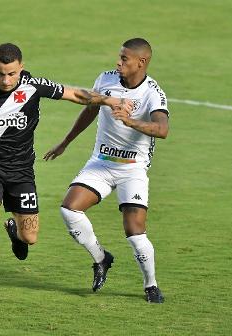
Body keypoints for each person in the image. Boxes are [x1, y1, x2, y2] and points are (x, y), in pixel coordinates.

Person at [0, 43, 133, 305]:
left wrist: (110, 100)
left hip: (21, 171)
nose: (6, 79)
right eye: (1, 73)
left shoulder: (34, 86)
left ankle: (15, 232)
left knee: (30, 238)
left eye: (12, 73)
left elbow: (75, 95)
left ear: (21, 68)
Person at [43, 38, 169, 303]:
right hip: (101, 162)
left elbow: (162, 129)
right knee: (69, 208)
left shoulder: (152, 93)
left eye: (124, 59)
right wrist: (65, 142)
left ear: (141, 62)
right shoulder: (106, 79)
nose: (118, 62)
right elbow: (90, 111)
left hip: (133, 168)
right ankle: (101, 258)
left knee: (135, 232)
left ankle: (151, 285)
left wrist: (130, 121)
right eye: (119, 57)